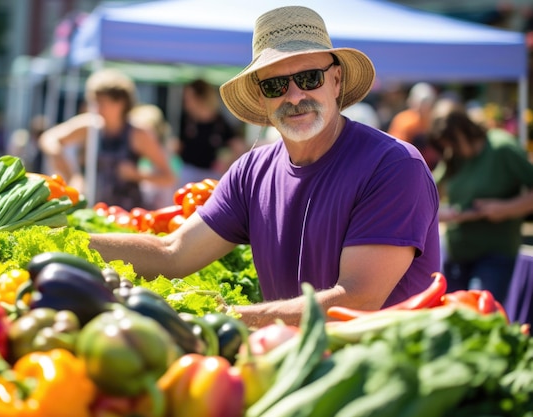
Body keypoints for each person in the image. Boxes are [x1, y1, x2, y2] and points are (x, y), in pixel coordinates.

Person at [89, 6, 441, 328]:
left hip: (385, 378)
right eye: (275, 85)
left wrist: (222, 316)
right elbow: (173, 254)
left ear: (336, 81)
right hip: (290, 367)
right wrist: (68, 246)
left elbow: (358, 300)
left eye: (309, 78)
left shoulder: (393, 166)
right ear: (261, 98)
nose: (294, 96)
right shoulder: (250, 173)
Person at [428, 102, 533, 304]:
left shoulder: (502, 148)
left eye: (453, 142)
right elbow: (428, 192)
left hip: (495, 254)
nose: (450, 149)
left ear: (464, 130)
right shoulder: (454, 156)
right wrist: (443, 214)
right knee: (449, 316)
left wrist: (504, 209)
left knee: (479, 313)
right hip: (458, 253)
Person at [39, 68, 176, 210]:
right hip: (92, 210)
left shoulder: (138, 133)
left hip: (126, 215)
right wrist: (71, 172)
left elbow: (169, 177)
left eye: (102, 103)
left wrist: (136, 175)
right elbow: (49, 138)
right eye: (94, 102)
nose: (97, 109)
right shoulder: (90, 125)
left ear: (121, 103)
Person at [176, 78, 246, 185]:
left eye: (188, 98)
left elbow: (239, 147)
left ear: (200, 98)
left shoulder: (220, 123)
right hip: (188, 172)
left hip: (211, 175)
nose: (186, 103)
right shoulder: (187, 120)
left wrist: (227, 163)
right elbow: (179, 146)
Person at [388, 82, 441, 170]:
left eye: (427, 102)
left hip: (431, 167)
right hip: (408, 166)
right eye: (421, 102)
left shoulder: (435, 120)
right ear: (412, 102)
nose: (423, 106)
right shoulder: (403, 121)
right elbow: (397, 149)